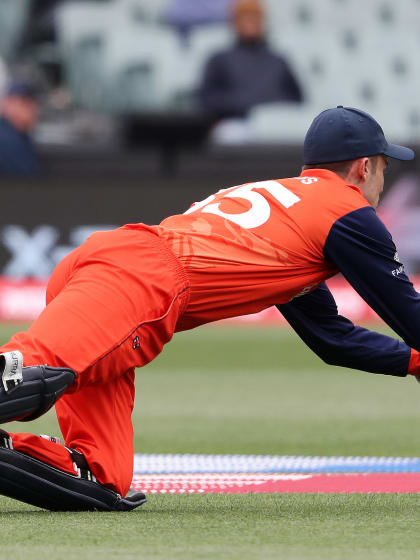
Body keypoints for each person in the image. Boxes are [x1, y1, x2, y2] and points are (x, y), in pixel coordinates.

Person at [0, 105, 418, 512]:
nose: (382, 182)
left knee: (101, 477)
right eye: (384, 168)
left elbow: (334, 338)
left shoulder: (294, 214)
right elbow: (409, 315)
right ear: (364, 167)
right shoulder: (348, 210)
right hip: (142, 281)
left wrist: (414, 362)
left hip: (121, 266)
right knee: (31, 369)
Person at [199, 0, 303, 120]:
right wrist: (246, 105)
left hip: (275, 123)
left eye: (255, 17)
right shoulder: (219, 59)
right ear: (235, 22)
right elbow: (208, 99)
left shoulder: (278, 61)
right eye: (245, 17)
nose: (251, 22)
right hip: (236, 123)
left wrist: (268, 106)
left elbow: (297, 98)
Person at [0, 80, 41, 176]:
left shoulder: (19, 134)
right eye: (25, 104)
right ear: (6, 103)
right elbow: (28, 181)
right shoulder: (7, 139)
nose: (33, 110)